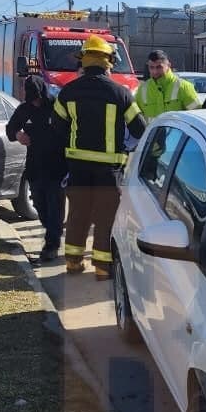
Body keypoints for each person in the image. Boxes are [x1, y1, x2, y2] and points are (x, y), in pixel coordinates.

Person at [51, 35, 148, 280]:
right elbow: (140, 129)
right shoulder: (121, 93)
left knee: (77, 214)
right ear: (109, 62)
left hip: (78, 167)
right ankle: (103, 268)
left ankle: (73, 262)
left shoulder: (67, 92)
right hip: (109, 169)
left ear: (83, 61)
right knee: (105, 218)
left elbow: (57, 128)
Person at [5, 75, 65, 263]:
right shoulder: (24, 110)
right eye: (32, 98)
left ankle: (51, 245)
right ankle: (52, 232)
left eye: (37, 98)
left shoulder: (56, 106)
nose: (35, 102)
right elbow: (10, 129)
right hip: (35, 167)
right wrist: (18, 134)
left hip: (57, 166)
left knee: (55, 208)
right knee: (40, 205)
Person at [136, 49, 201, 119]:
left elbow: (198, 116)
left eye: (159, 67)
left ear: (169, 65)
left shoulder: (184, 87)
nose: (155, 71)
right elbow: (137, 119)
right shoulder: (142, 89)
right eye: (151, 67)